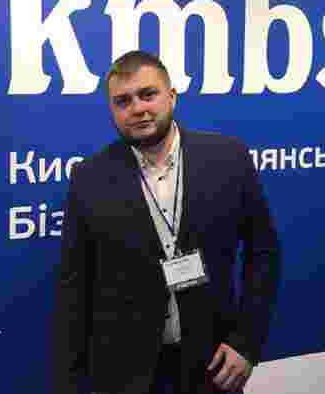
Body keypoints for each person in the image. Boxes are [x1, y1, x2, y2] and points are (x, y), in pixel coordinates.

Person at [54, 50, 281, 394]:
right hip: (124, 375)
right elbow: (74, 286)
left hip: (212, 366)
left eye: (148, 94)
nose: (137, 108)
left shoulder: (228, 158)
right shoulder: (89, 177)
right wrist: (69, 384)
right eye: (123, 101)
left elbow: (263, 253)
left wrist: (247, 343)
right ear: (112, 110)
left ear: (171, 96)